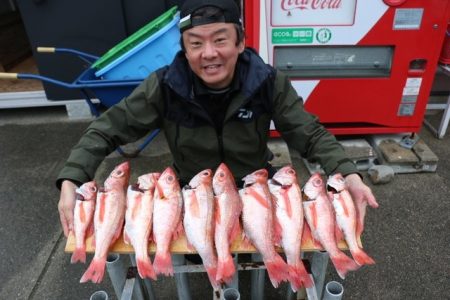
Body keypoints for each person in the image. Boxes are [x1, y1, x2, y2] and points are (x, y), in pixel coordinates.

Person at [57, 0, 378, 237]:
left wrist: (347, 173)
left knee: (271, 247)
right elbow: (104, 129)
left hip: (257, 189)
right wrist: (72, 179)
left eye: (220, 39)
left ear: (240, 41)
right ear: (184, 48)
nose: (208, 52)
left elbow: (309, 133)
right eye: (195, 43)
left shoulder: (267, 81)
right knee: (195, 253)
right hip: (190, 193)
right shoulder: (165, 86)